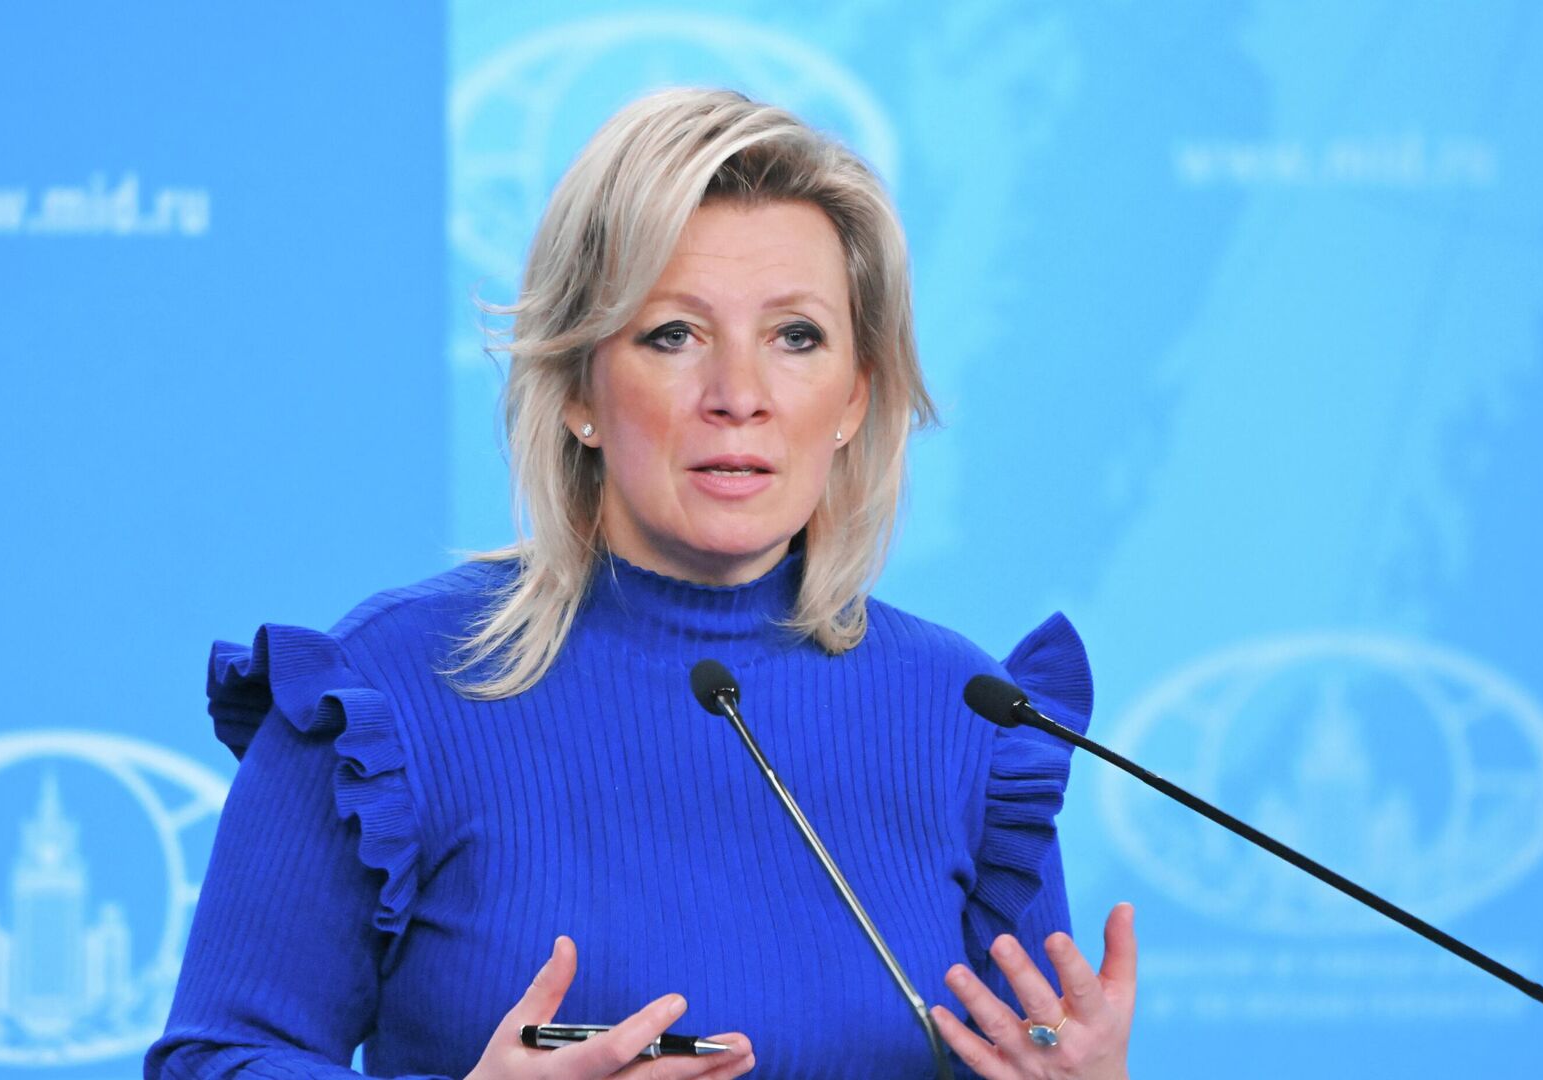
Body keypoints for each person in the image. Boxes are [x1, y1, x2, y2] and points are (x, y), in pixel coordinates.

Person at [146, 87, 1136, 1080]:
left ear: (854, 397)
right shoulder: (393, 692)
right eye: (673, 334)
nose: (739, 397)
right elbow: (216, 1061)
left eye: (796, 336)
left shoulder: (967, 716)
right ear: (579, 387)